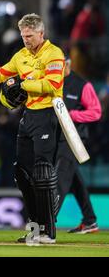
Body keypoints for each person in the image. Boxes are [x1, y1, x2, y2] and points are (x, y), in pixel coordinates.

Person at [0, 13, 65, 244]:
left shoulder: (54, 54)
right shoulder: (21, 55)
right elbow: (3, 73)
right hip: (28, 116)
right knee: (22, 174)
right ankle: (35, 230)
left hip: (48, 114)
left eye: (30, 36)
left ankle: (48, 232)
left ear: (41, 34)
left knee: (42, 172)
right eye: (23, 36)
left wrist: (24, 84)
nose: (26, 40)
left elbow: (53, 85)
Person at [56, 58, 101, 234]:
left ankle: (45, 223)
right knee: (73, 178)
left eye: (60, 64)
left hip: (74, 136)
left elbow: (96, 112)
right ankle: (90, 220)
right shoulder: (54, 82)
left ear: (68, 63)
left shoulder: (81, 85)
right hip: (57, 136)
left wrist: (73, 115)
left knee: (60, 176)